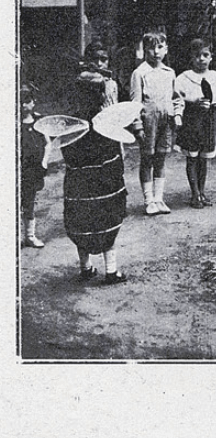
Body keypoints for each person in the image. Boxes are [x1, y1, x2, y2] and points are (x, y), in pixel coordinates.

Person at [59, 58, 141, 284]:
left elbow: (67, 155)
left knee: (82, 222)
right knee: (107, 222)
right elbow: (115, 155)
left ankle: (86, 268)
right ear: (101, 96)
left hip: (79, 185)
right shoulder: (106, 122)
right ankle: (112, 270)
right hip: (105, 183)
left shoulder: (71, 125)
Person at [130, 30, 184, 215]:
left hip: (165, 122)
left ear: (166, 49)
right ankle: (149, 200)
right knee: (147, 160)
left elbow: (176, 98)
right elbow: (135, 102)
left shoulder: (169, 73)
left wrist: (177, 114)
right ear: (144, 50)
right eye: (151, 48)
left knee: (161, 158)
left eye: (160, 47)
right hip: (148, 123)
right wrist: (137, 126)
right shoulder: (140, 73)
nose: (156, 52)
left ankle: (159, 198)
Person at [175, 38, 216, 208]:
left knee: (204, 157)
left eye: (205, 55)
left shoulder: (214, 76)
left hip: (208, 119)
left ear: (211, 57)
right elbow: (177, 96)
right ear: (191, 57)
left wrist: (214, 101)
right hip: (192, 121)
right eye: (197, 55)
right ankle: (194, 194)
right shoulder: (185, 77)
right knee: (192, 157)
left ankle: (202, 191)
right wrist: (193, 101)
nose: (201, 59)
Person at [20, 85, 47, 248]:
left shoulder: (39, 121)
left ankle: (30, 235)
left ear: (33, 102)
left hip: (33, 168)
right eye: (21, 102)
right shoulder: (14, 122)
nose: (24, 105)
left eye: (27, 101)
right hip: (19, 168)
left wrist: (44, 162)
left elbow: (49, 143)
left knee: (30, 201)